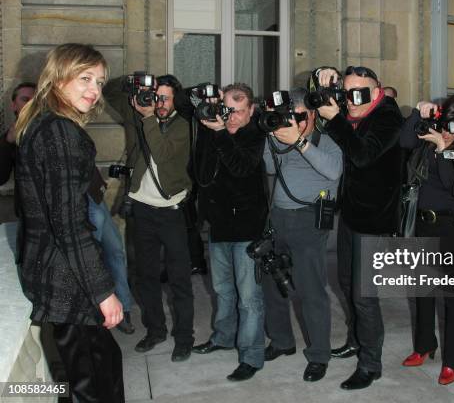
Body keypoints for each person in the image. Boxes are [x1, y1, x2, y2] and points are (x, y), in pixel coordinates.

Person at [14, 43, 124, 402]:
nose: (95, 91)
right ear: (58, 78)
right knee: (94, 383)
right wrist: (103, 292)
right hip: (68, 280)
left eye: (100, 82)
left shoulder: (39, 122)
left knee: (95, 367)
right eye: (85, 78)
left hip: (55, 273)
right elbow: (69, 225)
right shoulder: (61, 132)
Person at [316, 65, 403, 390]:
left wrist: (335, 119)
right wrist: (324, 76)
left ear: (377, 89)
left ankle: (371, 364)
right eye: (346, 92)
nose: (351, 100)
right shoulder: (358, 112)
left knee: (365, 296)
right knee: (346, 283)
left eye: (359, 94)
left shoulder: (387, 116)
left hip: (375, 220)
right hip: (353, 214)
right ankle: (355, 340)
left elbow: (363, 155)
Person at [103, 74, 195, 362]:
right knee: (146, 277)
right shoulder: (139, 114)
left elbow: (163, 152)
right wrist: (136, 81)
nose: (160, 103)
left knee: (180, 279)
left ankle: (184, 337)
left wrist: (148, 118)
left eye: (165, 98)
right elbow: (108, 92)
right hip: (142, 211)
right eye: (157, 97)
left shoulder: (182, 125)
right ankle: (155, 330)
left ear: (175, 100)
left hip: (172, 213)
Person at [261, 88, 343, 382]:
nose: (294, 122)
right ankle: (282, 341)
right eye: (289, 116)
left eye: (299, 117)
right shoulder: (280, 137)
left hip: (310, 219)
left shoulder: (328, 140)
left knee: (311, 291)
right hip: (279, 217)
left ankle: (320, 354)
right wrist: (274, 137)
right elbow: (270, 168)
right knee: (272, 284)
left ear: (312, 115)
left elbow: (334, 171)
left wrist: (300, 142)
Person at [400, 94, 454, 385]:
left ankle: (452, 359)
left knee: (453, 297)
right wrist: (416, 114)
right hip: (424, 222)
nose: (448, 128)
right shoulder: (432, 133)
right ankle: (424, 345)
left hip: (453, 226)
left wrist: (443, 146)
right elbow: (405, 143)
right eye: (446, 120)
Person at [191, 83, 268, 382]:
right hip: (217, 226)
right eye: (227, 109)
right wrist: (206, 132)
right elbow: (199, 172)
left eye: (238, 110)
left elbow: (241, 167)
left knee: (249, 298)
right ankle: (224, 337)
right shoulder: (214, 133)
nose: (231, 116)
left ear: (251, 110)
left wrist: (221, 133)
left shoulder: (255, 135)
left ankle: (251, 356)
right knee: (222, 290)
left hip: (247, 229)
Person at [87, 167, 135, 334]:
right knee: (92, 257)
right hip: (76, 199)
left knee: (115, 251)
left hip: (92, 195)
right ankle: (99, 310)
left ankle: (123, 308)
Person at [0, 82, 36, 185]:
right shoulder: (9, 137)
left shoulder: (54, 128)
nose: (31, 104)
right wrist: (7, 143)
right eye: (25, 100)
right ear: (14, 105)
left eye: (35, 100)